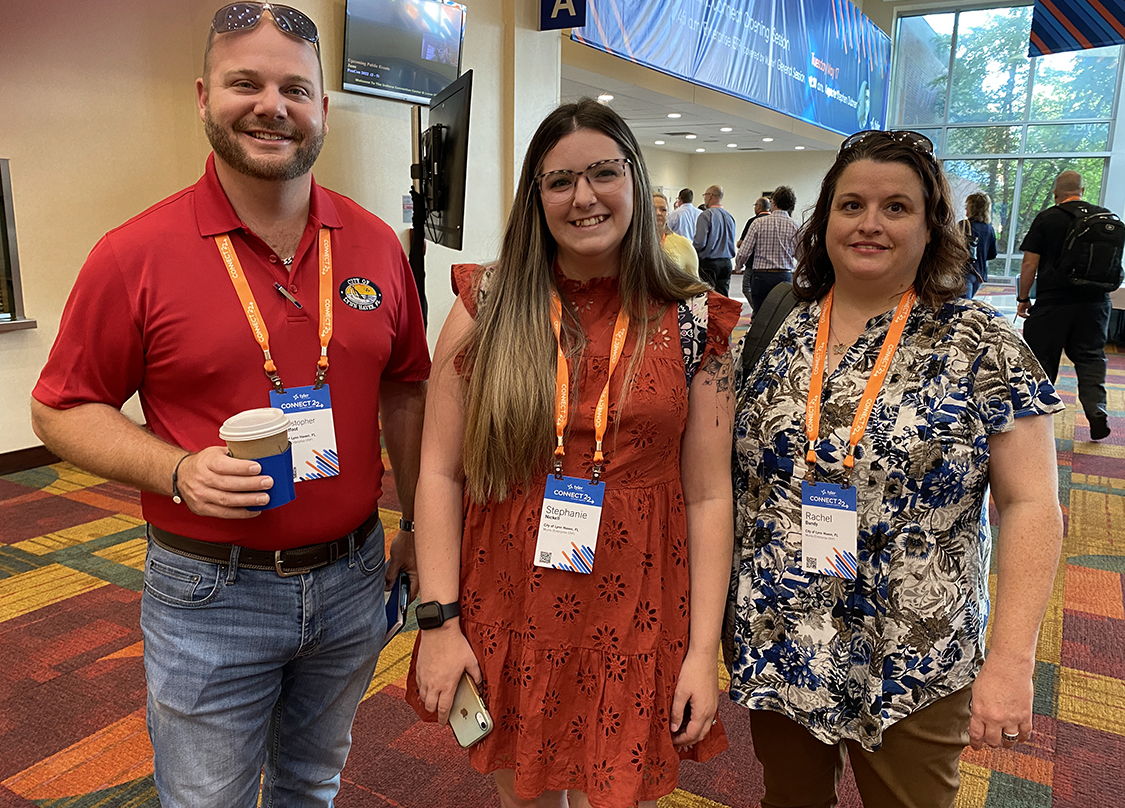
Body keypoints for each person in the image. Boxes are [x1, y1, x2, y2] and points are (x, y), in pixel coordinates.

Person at [29, 5, 430, 806]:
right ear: (203, 96)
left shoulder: (377, 244)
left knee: (311, 783)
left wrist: (418, 525)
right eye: (245, 83)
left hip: (353, 577)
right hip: (211, 591)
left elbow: (405, 387)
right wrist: (175, 469)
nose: (270, 106)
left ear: (325, 109)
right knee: (205, 798)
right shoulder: (134, 254)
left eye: (294, 88)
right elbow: (61, 408)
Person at [407, 99, 737, 807]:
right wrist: (438, 623)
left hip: (639, 599)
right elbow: (440, 471)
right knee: (520, 796)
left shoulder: (695, 319)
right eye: (559, 181)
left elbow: (710, 497)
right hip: (507, 593)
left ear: (634, 179)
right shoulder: (486, 302)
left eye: (602, 173)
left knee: (614, 794)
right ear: (536, 198)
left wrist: (703, 652)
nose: (583, 196)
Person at [728, 129, 1064, 808]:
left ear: (930, 224)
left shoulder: (981, 344)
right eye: (850, 205)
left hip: (914, 647)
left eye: (895, 207)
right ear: (823, 221)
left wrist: (1011, 660)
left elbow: (1031, 505)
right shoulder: (773, 328)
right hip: (781, 632)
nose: (869, 224)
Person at [1018, 170, 1114, 440]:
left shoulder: (1048, 218)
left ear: (1055, 194)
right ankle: (1097, 409)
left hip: (1053, 304)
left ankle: (1036, 418)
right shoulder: (1104, 218)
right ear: (1082, 191)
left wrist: (1023, 298)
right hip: (1096, 304)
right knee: (1091, 357)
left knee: (1041, 361)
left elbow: (1029, 264)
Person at [734, 185, 798, 312]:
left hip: (761, 276)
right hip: (785, 276)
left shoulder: (758, 223)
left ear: (773, 203)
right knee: (781, 314)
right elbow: (803, 254)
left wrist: (738, 266)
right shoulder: (795, 225)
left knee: (761, 314)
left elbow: (744, 251)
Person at [693, 185, 737, 296]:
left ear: (710, 196)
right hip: (726, 263)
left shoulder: (706, 215)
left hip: (709, 264)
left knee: (708, 298)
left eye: (705, 195)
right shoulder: (730, 217)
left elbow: (700, 243)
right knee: (723, 297)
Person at [958, 191, 997, 299]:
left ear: (973, 208)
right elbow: (992, 254)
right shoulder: (989, 229)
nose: (966, 209)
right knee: (968, 304)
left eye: (967, 206)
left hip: (964, 272)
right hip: (980, 274)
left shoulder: (963, 225)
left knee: (962, 306)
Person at [655, 191, 699, 277]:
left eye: (663, 210)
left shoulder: (684, 244)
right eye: (652, 209)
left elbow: (694, 284)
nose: (658, 213)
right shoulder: (633, 243)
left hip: (687, 249)